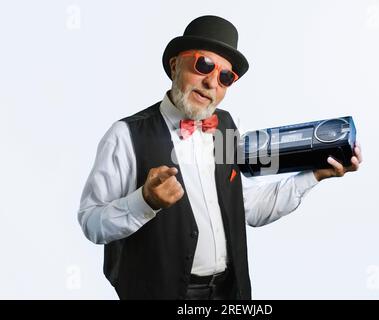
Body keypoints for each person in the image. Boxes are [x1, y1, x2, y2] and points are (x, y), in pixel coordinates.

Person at [78, 15, 362, 300]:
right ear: (175, 65)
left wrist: (314, 175)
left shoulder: (225, 126)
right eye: (203, 65)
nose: (212, 82)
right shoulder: (125, 135)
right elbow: (91, 222)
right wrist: (144, 201)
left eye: (226, 77)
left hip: (230, 292)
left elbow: (246, 206)